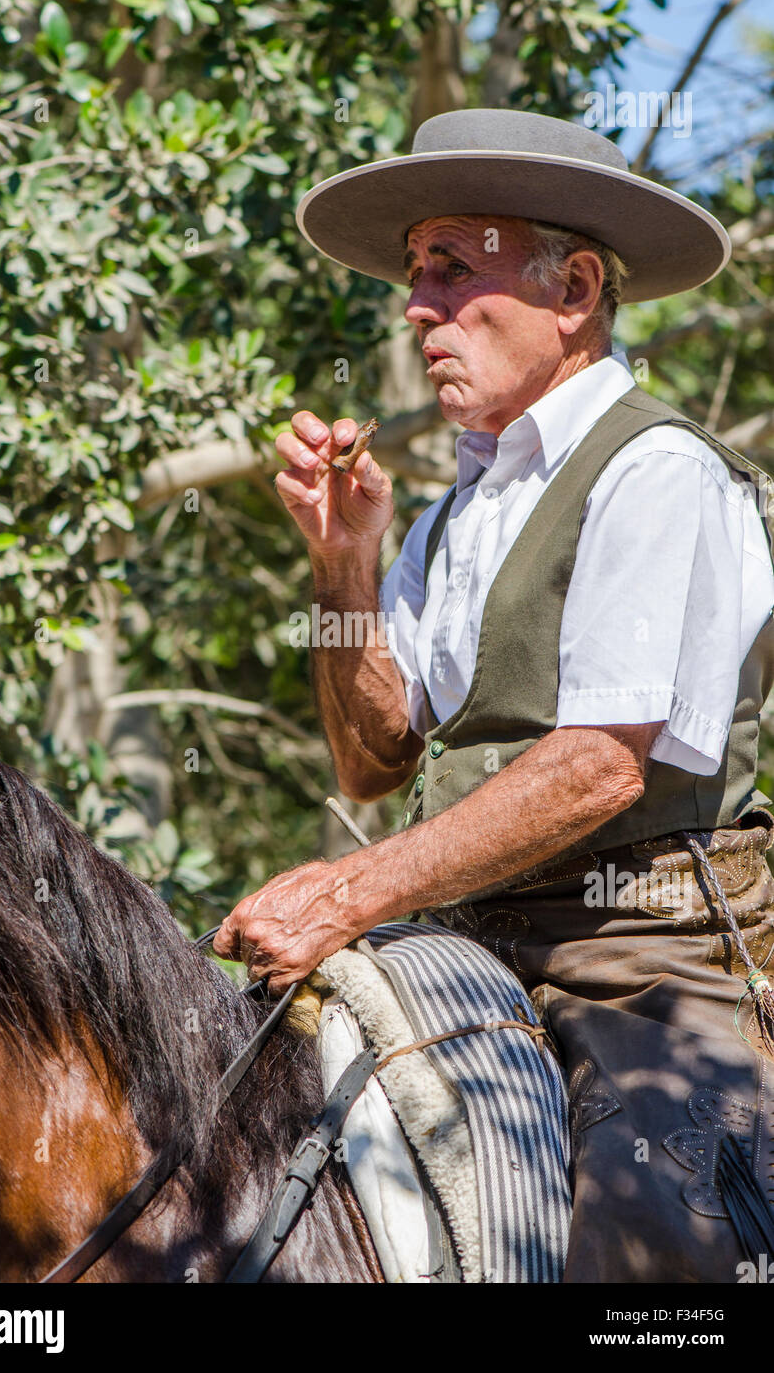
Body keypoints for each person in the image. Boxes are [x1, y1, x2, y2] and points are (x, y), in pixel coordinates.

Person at [214, 108, 774, 1280]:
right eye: (417, 271)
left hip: (636, 957)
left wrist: (346, 891)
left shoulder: (658, 473)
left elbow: (602, 766)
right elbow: (372, 760)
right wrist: (343, 561)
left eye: (452, 268)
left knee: (658, 1240)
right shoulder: (450, 514)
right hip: (465, 939)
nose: (417, 308)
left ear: (572, 287)